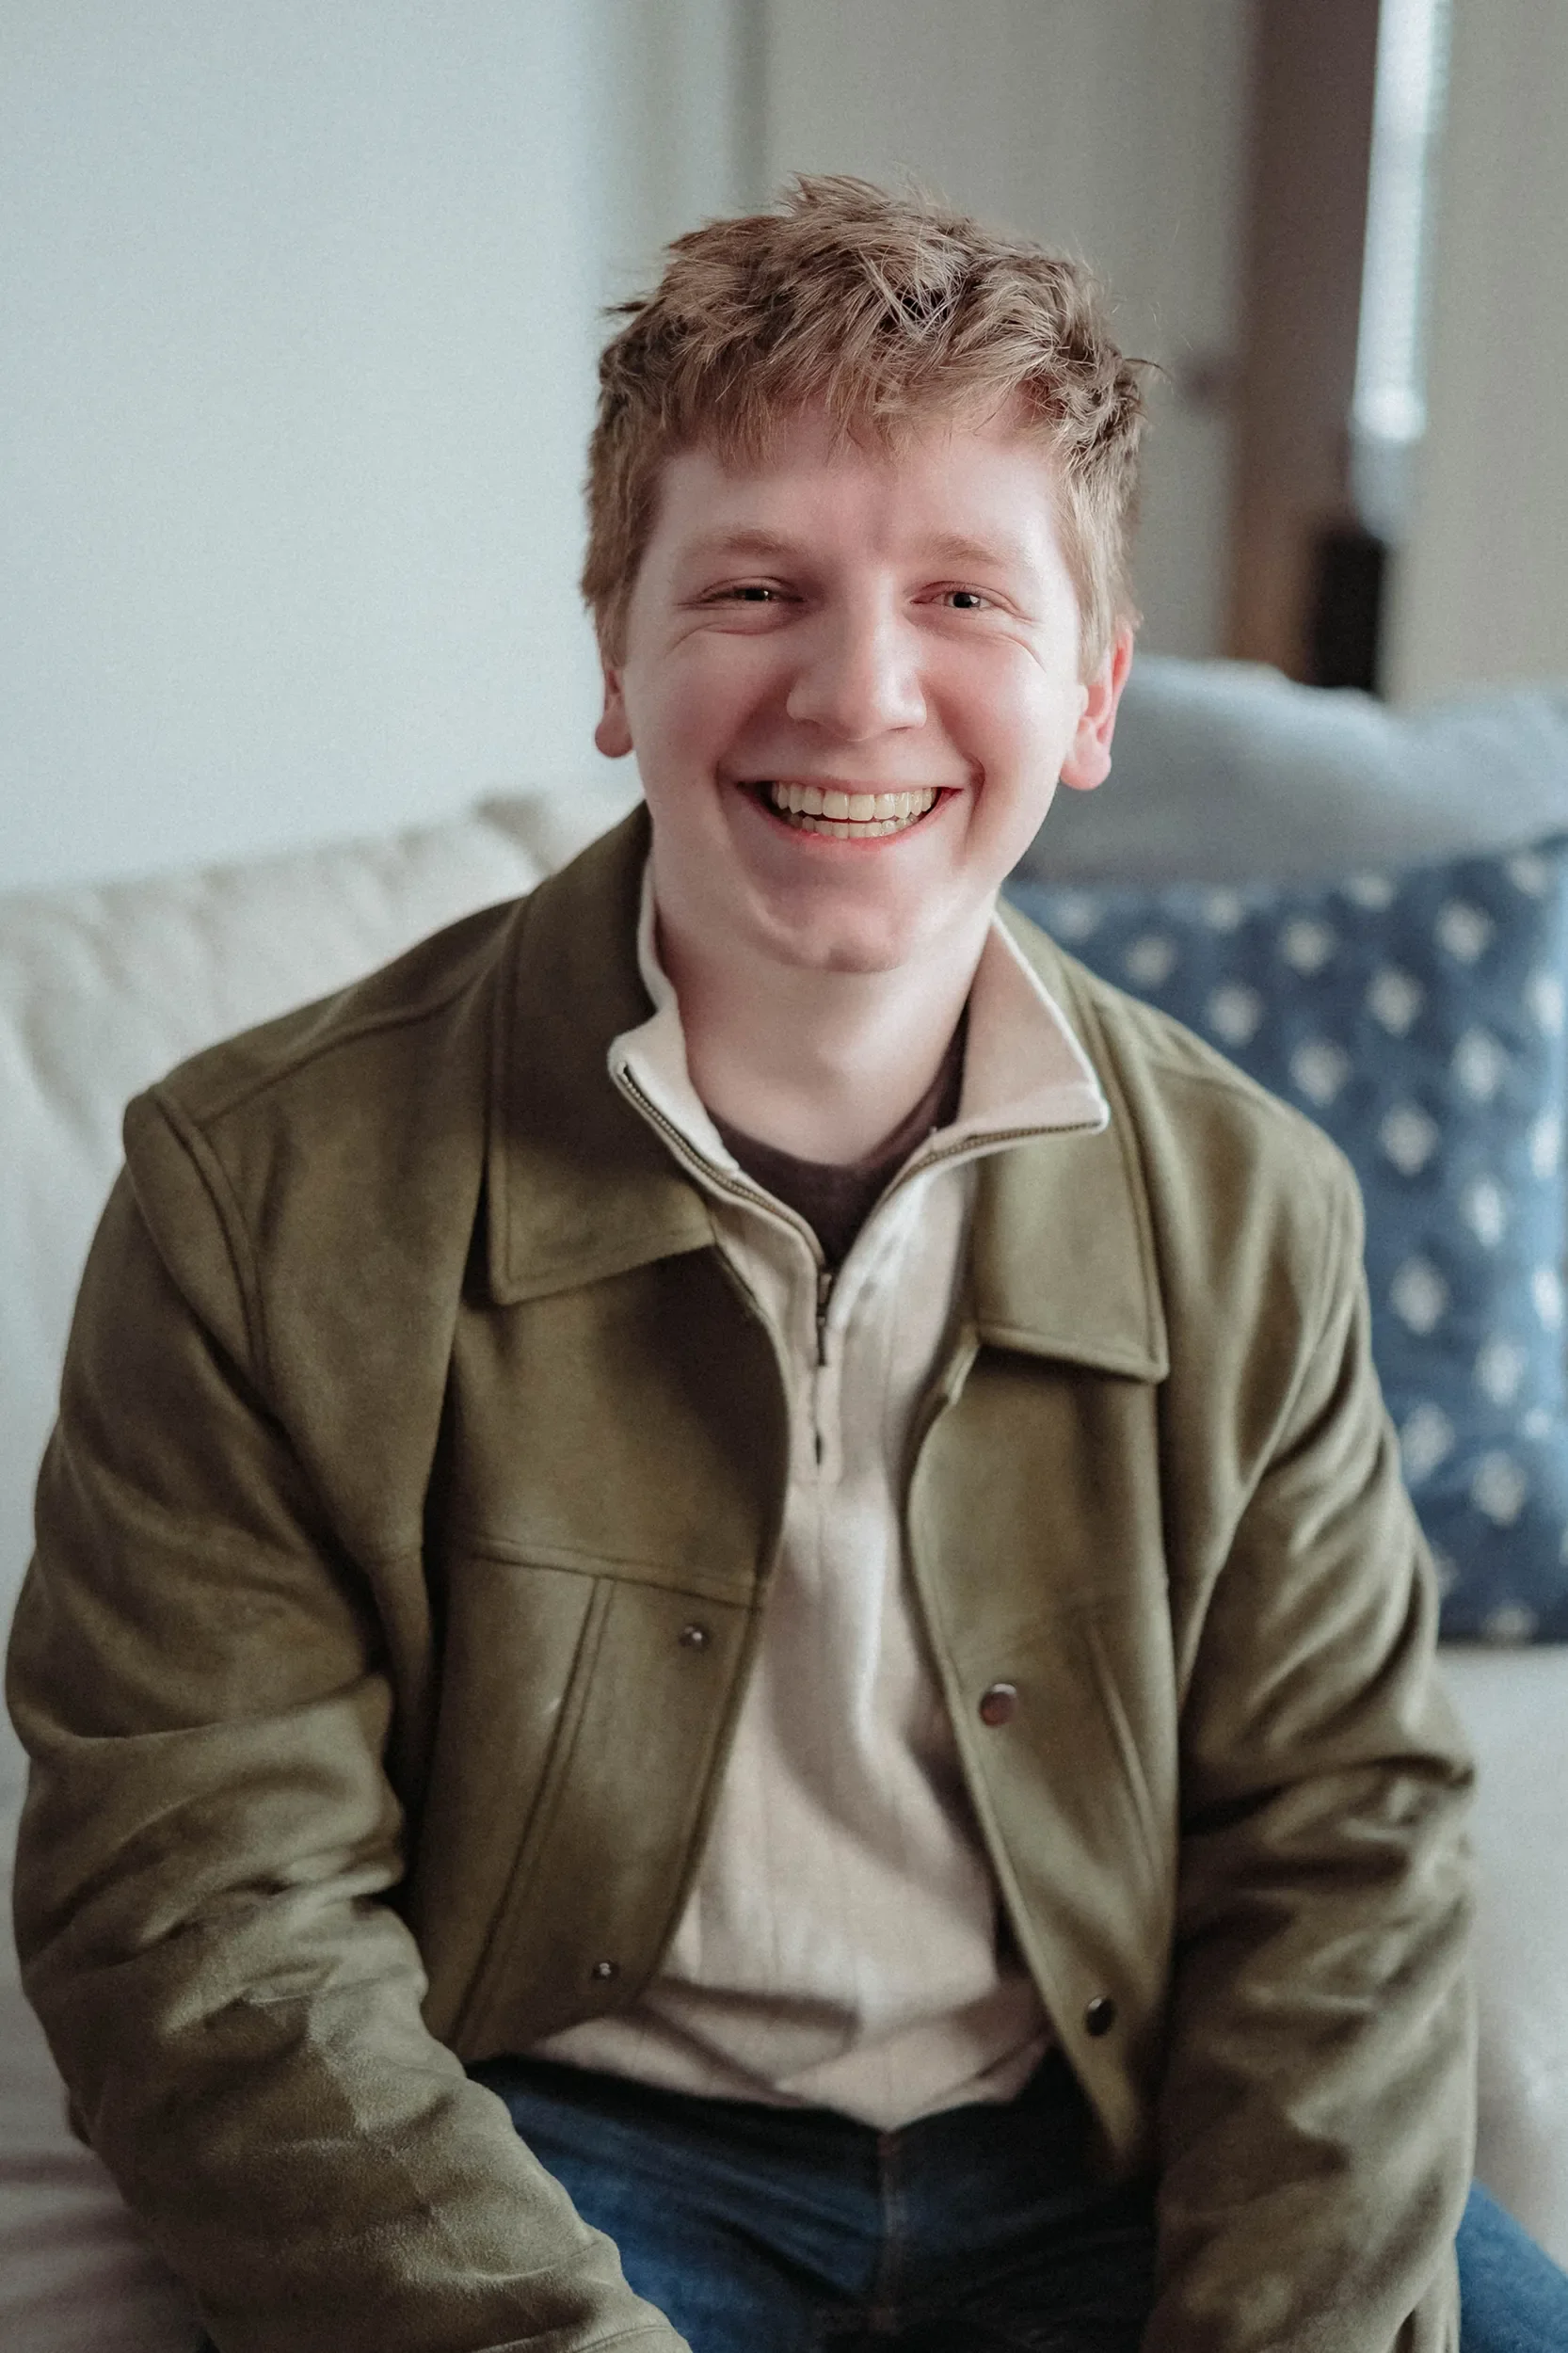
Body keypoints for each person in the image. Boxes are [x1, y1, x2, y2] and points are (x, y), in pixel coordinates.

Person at [8, 175, 1568, 2353]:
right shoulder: (250, 1194)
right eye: (756, 583)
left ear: (1092, 689)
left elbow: (1342, 1835)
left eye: (960, 595)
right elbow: (198, 1916)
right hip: (545, 2145)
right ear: (614, 653)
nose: (858, 692)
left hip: (1086, 2139)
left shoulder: (1251, 1202)